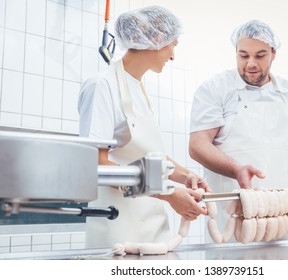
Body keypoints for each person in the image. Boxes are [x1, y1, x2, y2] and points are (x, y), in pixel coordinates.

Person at [78, 6, 210, 249]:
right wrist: (168, 193)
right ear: (157, 40)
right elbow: (96, 165)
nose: (172, 56)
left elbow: (150, 157)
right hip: (117, 226)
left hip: (153, 229)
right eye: (174, 45)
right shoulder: (102, 86)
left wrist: (186, 176)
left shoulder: (137, 87)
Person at [189, 19, 288, 239]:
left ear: (273, 53)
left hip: (285, 215)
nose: (251, 63)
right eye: (243, 55)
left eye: (260, 56)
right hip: (233, 217)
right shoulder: (214, 89)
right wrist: (236, 168)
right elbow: (197, 145)